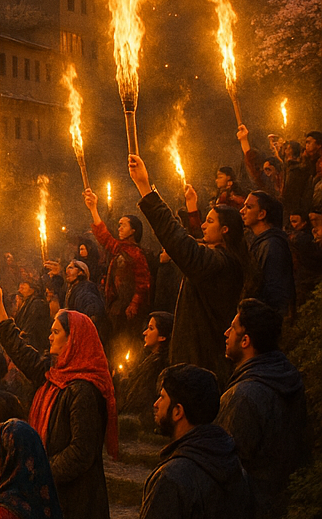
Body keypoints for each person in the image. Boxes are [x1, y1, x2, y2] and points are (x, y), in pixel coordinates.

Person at [0, 282, 114, 519]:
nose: (49, 336)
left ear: (73, 339)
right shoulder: (52, 373)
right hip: (50, 492)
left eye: (56, 332)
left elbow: (81, 452)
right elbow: (21, 352)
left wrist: (39, 470)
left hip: (75, 500)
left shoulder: (83, 390)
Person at [128, 155, 250, 384]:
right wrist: (191, 207)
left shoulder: (221, 263)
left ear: (225, 230)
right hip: (199, 363)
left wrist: (146, 188)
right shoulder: (218, 260)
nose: (203, 224)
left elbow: (181, 243)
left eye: (210, 221)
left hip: (203, 367)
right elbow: (190, 242)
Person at [131, 363, 255, 519]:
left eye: (162, 397)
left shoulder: (171, 480)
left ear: (178, 411)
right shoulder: (234, 465)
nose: (155, 404)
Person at [216, 299, 309, 519]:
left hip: (250, 517)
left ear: (246, 341)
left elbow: (222, 467)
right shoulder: (287, 377)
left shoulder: (244, 396)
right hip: (281, 509)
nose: (226, 333)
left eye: (233, 329)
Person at [83, 189, 151, 349]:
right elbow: (104, 237)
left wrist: (134, 304)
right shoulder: (120, 248)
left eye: (123, 225)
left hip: (130, 314)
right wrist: (93, 209)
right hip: (117, 309)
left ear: (133, 230)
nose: (119, 228)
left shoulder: (137, 254)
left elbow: (143, 283)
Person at [239, 191, 295, 316]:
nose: (241, 211)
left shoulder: (272, 245)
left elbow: (274, 289)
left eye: (249, 207)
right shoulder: (261, 241)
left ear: (261, 214)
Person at [118, 312, 173, 431]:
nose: (145, 333)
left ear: (162, 337)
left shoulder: (158, 365)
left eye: (151, 328)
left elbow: (142, 399)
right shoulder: (150, 360)